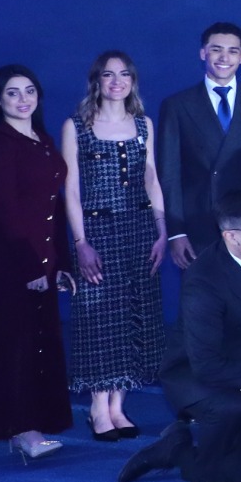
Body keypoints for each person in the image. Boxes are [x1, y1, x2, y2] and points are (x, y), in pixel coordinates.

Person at [116, 192, 241, 482]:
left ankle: (175, 450)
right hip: (193, 373)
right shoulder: (204, 279)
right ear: (232, 237)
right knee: (228, 407)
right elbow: (207, 364)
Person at [62, 50, 167, 441]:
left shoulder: (143, 123)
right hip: (97, 231)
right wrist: (80, 242)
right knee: (98, 318)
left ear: (133, 81)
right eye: (109, 74)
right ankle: (97, 408)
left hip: (139, 228)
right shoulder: (77, 126)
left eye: (124, 74)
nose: (117, 81)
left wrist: (161, 230)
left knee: (134, 313)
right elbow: (71, 188)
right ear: (97, 81)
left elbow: (152, 178)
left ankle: (118, 406)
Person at [0, 64, 72, 461]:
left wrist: (60, 262)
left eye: (29, 91)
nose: (23, 99)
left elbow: (52, 205)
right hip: (6, 257)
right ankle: (21, 429)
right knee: (14, 342)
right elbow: (6, 210)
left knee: (38, 339)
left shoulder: (42, 140)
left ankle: (31, 425)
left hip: (37, 254)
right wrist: (31, 266)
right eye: (12, 93)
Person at [156, 21, 241, 266]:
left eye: (232, 51)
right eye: (216, 49)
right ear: (203, 53)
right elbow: (169, 174)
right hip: (198, 226)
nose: (224, 57)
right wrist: (176, 232)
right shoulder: (177, 105)